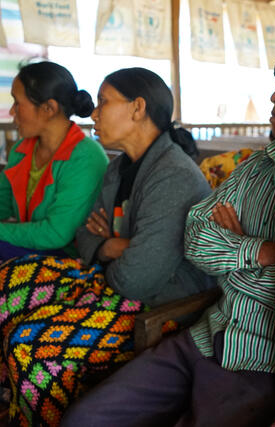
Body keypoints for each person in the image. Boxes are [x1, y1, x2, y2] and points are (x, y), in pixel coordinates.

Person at [61, 45, 275, 427]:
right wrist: (263, 251)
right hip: (206, 334)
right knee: (83, 420)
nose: (274, 95)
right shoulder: (258, 167)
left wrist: (236, 251)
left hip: (259, 357)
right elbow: (196, 240)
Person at [0, 67, 213, 427]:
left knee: (29, 345)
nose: (93, 114)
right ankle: (16, 404)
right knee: (7, 285)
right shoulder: (119, 170)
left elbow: (137, 281)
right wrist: (114, 246)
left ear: (137, 108)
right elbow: (85, 238)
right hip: (111, 280)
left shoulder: (173, 175)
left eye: (103, 103)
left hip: (166, 305)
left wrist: (110, 248)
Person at [0, 61, 108, 261]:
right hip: (33, 248)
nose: (12, 112)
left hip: (70, 259)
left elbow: (56, 234)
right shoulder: (21, 151)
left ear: (49, 108)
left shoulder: (85, 157)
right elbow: (2, 203)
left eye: (17, 103)